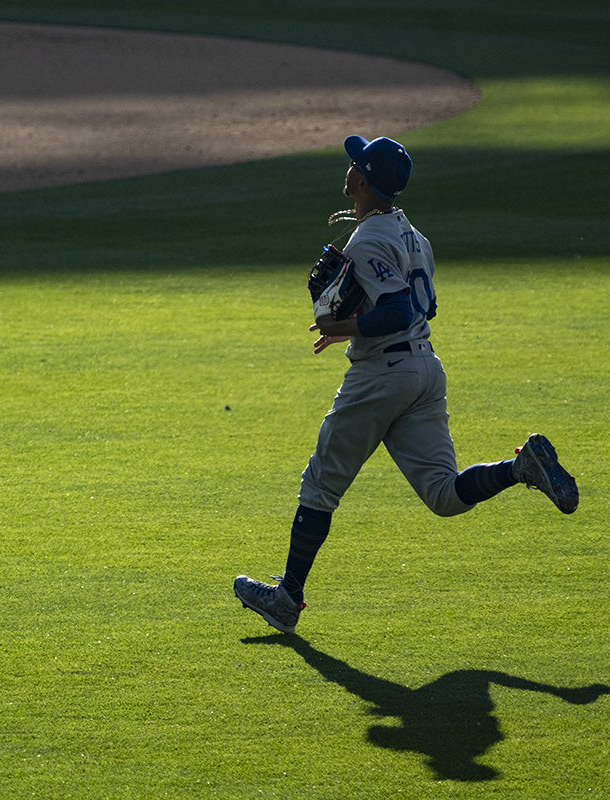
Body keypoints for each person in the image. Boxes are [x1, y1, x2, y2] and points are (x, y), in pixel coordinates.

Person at [234, 135, 578, 634]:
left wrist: (342, 327)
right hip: (424, 370)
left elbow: (395, 310)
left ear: (366, 181)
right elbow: (420, 308)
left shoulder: (369, 239)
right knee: (443, 495)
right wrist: (356, 319)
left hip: (381, 378)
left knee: (320, 485)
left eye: (356, 163)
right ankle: (518, 468)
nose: (349, 167)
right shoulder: (415, 237)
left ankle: (287, 598)